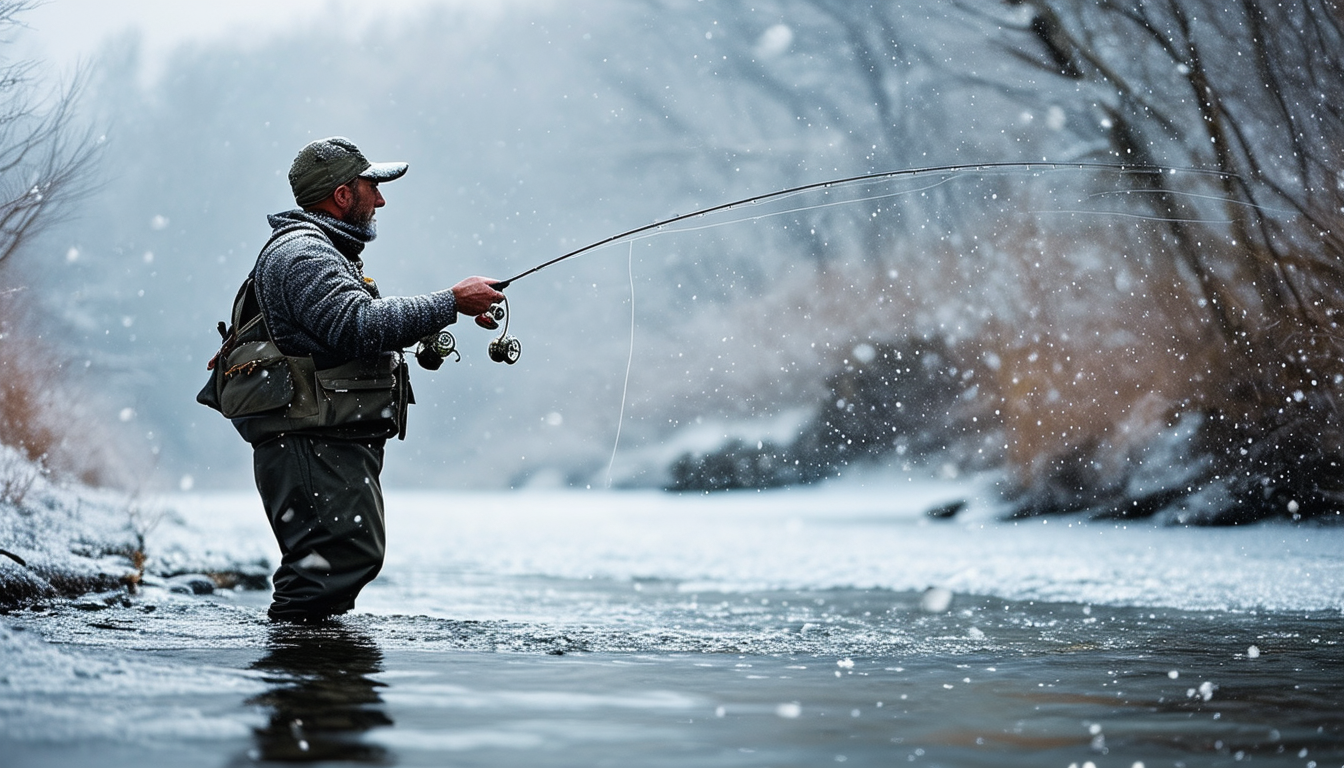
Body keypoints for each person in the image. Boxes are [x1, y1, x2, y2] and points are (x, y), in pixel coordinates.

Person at [238, 136, 502, 623]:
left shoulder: (318, 250)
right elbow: (357, 325)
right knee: (331, 561)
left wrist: (447, 313)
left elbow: (347, 326)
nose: (380, 199)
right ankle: (303, 679)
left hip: (323, 436)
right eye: (371, 187)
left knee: (342, 558)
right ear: (342, 195)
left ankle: (312, 671)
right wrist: (450, 302)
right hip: (310, 439)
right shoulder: (305, 255)